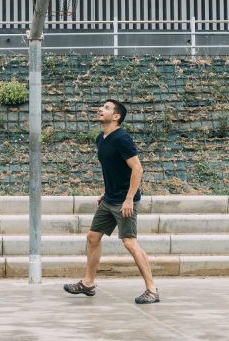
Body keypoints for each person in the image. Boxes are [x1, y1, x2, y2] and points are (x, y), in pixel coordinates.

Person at [63, 99, 160, 304]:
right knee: (92, 237)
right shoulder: (101, 138)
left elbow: (137, 169)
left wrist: (129, 199)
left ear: (116, 117)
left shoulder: (121, 138)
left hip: (125, 201)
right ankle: (88, 283)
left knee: (130, 242)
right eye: (101, 107)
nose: (100, 109)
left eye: (106, 108)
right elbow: (113, 169)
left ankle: (152, 290)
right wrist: (105, 192)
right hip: (109, 199)